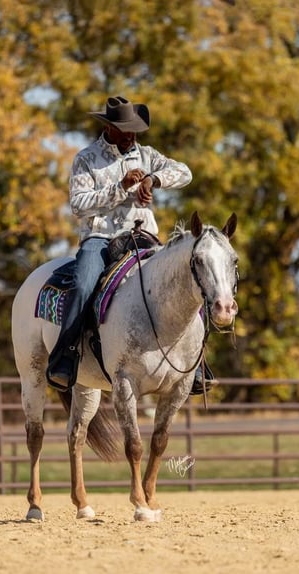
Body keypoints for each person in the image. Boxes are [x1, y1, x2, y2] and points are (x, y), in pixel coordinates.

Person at [46, 95, 211, 393]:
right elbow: (79, 205)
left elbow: (185, 172)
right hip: (101, 238)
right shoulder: (86, 158)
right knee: (83, 284)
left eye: (134, 130)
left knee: (186, 277)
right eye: (125, 130)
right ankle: (65, 356)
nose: (131, 135)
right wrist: (120, 188)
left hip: (143, 237)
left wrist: (153, 180)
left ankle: (196, 362)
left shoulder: (146, 155)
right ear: (109, 127)